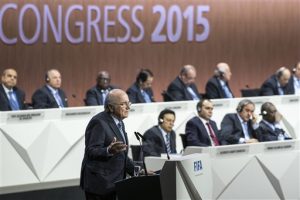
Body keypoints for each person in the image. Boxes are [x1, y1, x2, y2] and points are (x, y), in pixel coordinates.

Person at [80, 89, 134, 200]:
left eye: (129, 103)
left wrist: (138, 170)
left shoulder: (120, 122)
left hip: (113, 183)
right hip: (99, 185)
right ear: (110, 107)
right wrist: (108, 151)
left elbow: (121, 154)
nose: (128, 107)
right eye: (123, 104)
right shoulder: (99, 122)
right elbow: (91, 150)